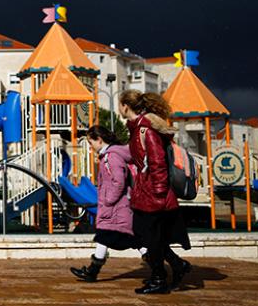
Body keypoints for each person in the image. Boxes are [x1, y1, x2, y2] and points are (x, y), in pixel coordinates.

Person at [118, 89, 192, 294]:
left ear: (125, 105)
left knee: (150, 238)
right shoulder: (136, 128)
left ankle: (160, 278)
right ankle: (176, 266)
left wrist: (158, 192)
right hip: (145, 192)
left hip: (154, 195)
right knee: (144, 237)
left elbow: (157, 162)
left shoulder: (145, 130)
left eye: (120, 104)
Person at [70, 125, 147, 282]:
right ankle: (160, 267)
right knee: (129, 239)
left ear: (99, 140)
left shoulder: (110, 157)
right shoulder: (111, 156)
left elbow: (118, 181)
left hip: (116, 207)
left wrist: (108, 200)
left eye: (91, 143)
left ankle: (92, 272)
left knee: (106, 236)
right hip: (118, 207)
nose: (91, 148)